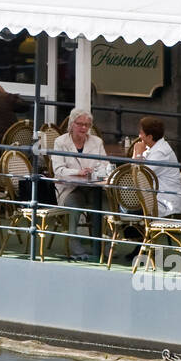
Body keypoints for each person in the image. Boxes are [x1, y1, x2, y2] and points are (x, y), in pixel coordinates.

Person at [53, 108, 109, 260]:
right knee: (75, 208)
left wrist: (95, 170)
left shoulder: (96, 142)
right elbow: (58, 170)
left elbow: (105, 165)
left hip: (93, 188)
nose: (84, 128)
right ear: (72, 124)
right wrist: (77, 172)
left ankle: (105, 247)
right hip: (70, 188)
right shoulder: (60, 142)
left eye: (87, 125)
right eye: (80, 124)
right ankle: (76, 249)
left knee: (107, 207)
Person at [130, 116, 181, 219]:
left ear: (150, 137)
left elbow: (139, 175)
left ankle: (135, 235)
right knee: (129, 208)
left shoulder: (161, 153)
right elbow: (133, 171)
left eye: (141, 133)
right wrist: (137, 153)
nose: (139, 136)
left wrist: (138, 154)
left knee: (128, 209)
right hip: (157, 199)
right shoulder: (153, 149)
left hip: (167, 204)